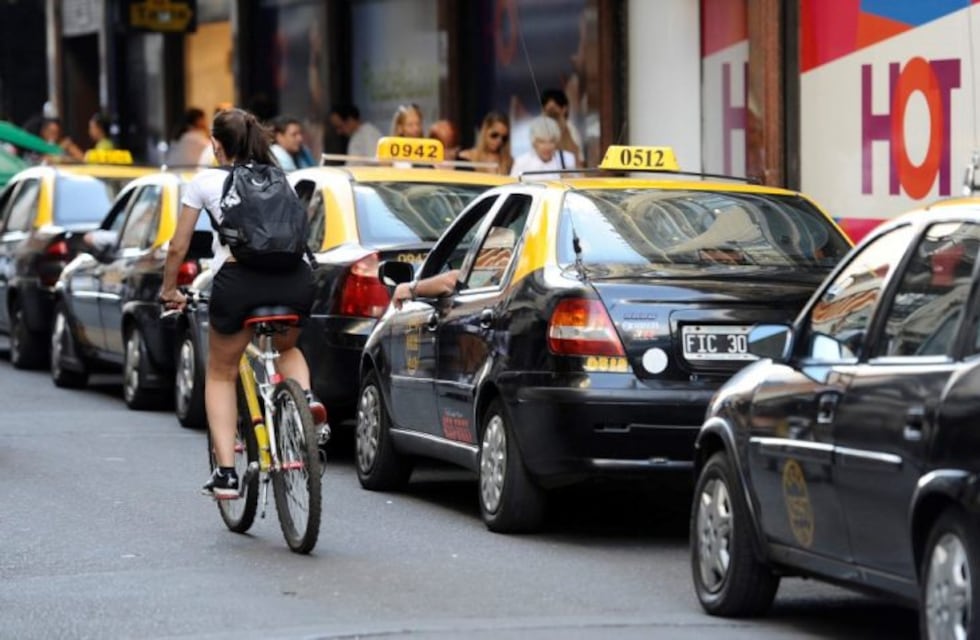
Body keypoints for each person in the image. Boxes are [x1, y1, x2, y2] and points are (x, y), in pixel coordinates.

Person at [159, 108, 327, 499]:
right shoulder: (282, 176)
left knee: (220, 372)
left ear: (216, 144)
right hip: (294, 279)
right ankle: (307, 402)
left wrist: (170, 289)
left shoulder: (204, 182)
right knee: (287, 346)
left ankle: (227, 475)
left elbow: (178, 246)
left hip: (240, 283)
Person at [510, 115, 576, 179]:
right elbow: (511, 187)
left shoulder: (567, 159)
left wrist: (571, 181)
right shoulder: (521, 162)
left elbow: (578, 185)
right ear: (534, 142)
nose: (547, 147)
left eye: (551, 141)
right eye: (542, 142)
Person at [540, 88, 583, 167]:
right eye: (548, 113)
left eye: (555, 114)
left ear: (564, 109)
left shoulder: (571, 129)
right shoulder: (538, 130)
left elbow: (579, 160)